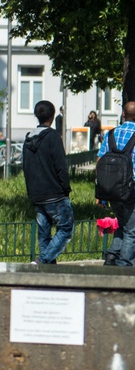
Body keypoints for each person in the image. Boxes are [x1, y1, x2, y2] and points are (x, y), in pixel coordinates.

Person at [99, 101, 135, 267]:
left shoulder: (111, 134)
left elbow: (99, 160)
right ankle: (125, 264)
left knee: (123, 223)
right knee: (132, 230)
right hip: (133, 190)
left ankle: (111, 256)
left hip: (111, 189)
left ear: (123, 114)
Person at [22, 99, 74, 264]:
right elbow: (61, 166)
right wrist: (66, 189)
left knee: (44, 234)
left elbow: (26, 167)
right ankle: (42, 261)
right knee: (66, 229)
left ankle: (45, 272)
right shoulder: (53, 137)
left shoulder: (28, 138)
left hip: (37, 194)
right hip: (55, 193)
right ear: (52, 116)